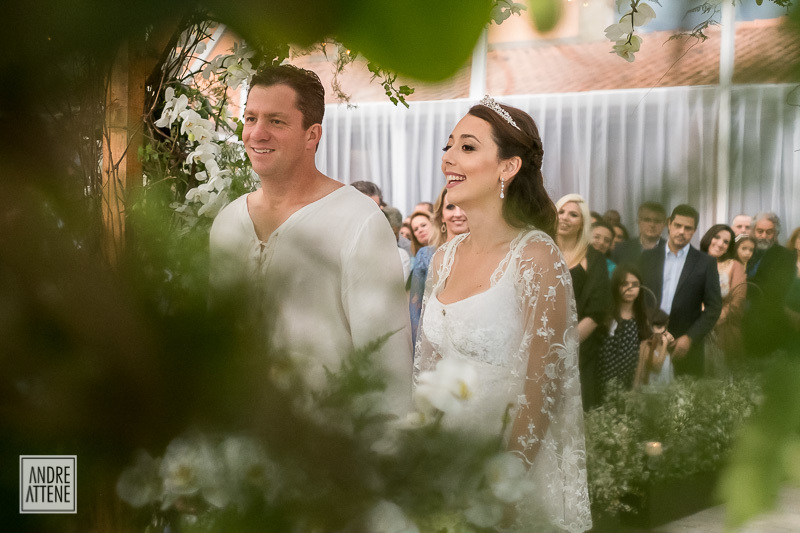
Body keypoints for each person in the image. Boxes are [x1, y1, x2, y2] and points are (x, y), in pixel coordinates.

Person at [414, 97, 591, 532]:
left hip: (507, 472)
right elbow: (427, 374)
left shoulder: (535, 257)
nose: (448, 158)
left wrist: (502, 489)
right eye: (448, 145)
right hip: (441, 468)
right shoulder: (443, 259)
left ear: (508, 167)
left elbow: (542, 387)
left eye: (467, 147)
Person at [209, 65, 412, 417]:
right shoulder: (227, 221)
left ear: (312, 135)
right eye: (251, 118)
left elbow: (386, 363)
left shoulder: (359, 220)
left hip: (328, 437)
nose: (257, 133)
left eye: (276, 121)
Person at [639, 205, 722, 376]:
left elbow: (714, 307)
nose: (682, 231)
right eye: (678, 225)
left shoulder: (705, 263)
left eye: (688, 228)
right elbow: (639, 297)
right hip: (648, 341)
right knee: (643, 390)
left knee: (684, 392)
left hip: (684, 347)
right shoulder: (647, 258)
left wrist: (690, 337)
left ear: (694, 231)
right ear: (669, 224)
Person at [556, 193, 611, 410]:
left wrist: (566, 348)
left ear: (582, 223)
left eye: (573, 215)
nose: (565, 217)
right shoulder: (540, 249)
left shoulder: (594, 258)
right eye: (561, 212)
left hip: (579, 350)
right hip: (537, 344)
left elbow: (597, 310)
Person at [408, 187, 469, 347]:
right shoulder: (426, 256)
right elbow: (415, 312)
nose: (458, 213)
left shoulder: (485, 253)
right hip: (434, 344)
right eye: (450, 207)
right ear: (441, 215)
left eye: (463, 206)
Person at [743, 212, 797, 355]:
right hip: (739, 314)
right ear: (753, 232)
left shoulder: (785, 256)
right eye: (760, 231)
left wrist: (742, 286)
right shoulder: (746, 251)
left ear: (775, 234)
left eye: (769, 232)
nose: (764, 236)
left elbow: (775, 290)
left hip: (765, 318)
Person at [598, 264, 652, 399]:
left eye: (635, 284)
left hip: (628, 384)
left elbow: (642, 354)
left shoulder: (641, 318)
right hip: (602, 382)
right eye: (624, 284)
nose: (630, 288)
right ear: (616, 286)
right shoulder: (606, 316)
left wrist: (635, 386)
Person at [699, 224, 746, 374]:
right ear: (709, 238)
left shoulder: (735, 265)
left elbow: (738, 299)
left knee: (720, 377)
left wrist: (714, 318)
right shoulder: (693, 261)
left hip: (722, 329)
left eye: (726, 242)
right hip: (693, 328)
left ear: (728, 247)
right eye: (717, 237)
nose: (720, 244)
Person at [612, 201, 666, 265]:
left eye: (657, 221)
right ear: (639, 221)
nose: (652, 225)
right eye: (647, 220)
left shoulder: (670, 250)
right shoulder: (621, 249)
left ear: (664, 224)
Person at [633, 309, 674, 388]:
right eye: (659, 327)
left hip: (667, 390)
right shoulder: (646, 345)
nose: (663, 331)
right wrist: (665, 344)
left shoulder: (666, 342)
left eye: (665, 327)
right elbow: (657, 367)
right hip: (651, 391)